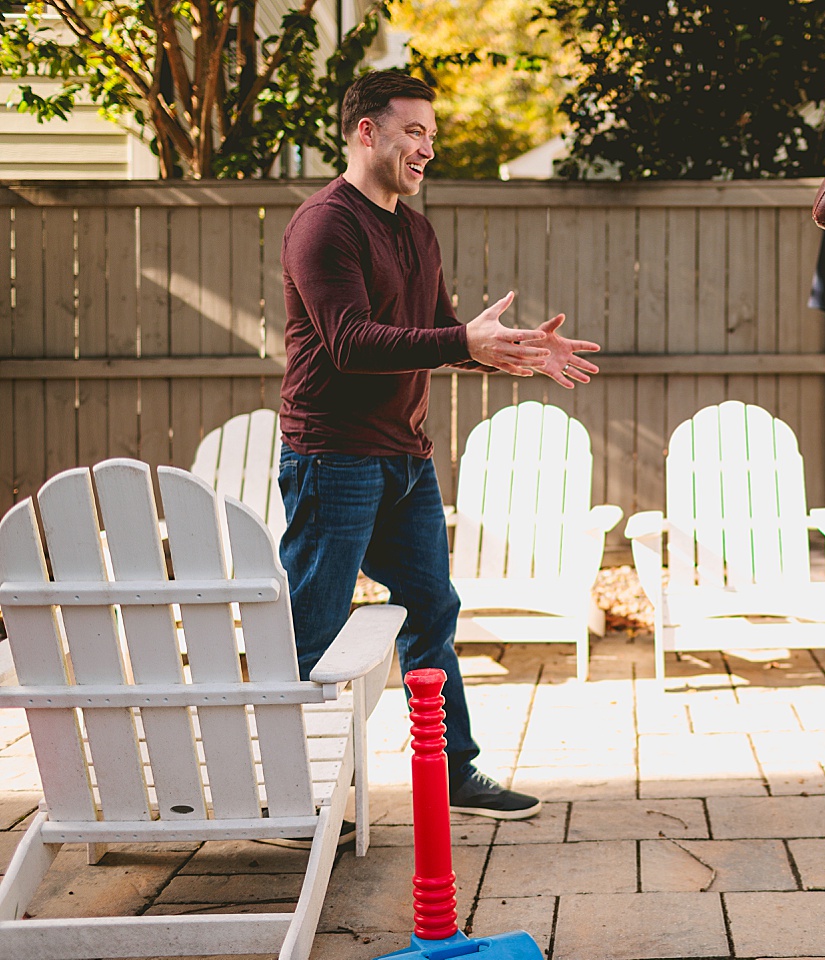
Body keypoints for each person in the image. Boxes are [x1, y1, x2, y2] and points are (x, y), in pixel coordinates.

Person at [276, 70, 599, 822]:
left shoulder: (414, 229)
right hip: (333, 455)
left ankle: (452, 771)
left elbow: (432, 332)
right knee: (310, 625)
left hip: (403, 456)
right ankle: (289, 794)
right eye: (412, 132)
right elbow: (352, 342)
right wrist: (462, 338)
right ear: (366, 132)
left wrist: (500, 351)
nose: (427, 148)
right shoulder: (325, 224)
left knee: (431, 609)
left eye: (430, 135)